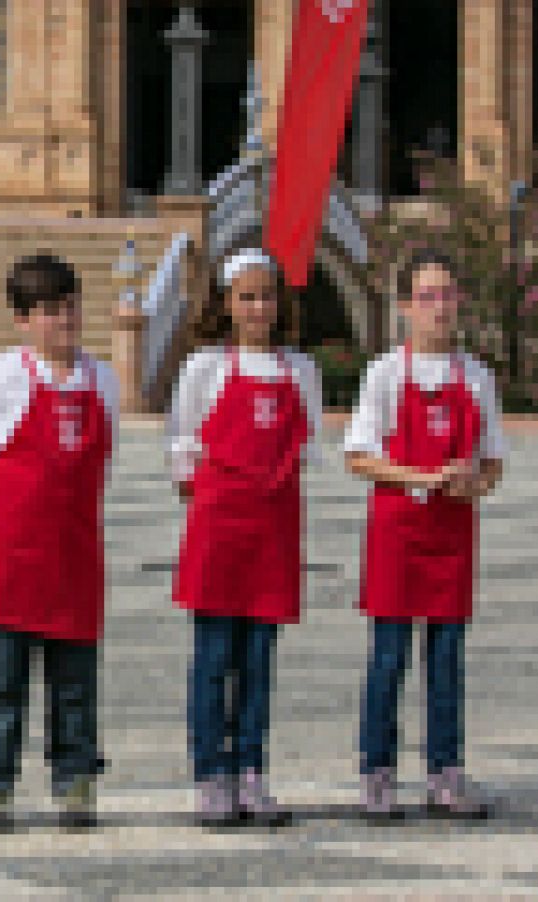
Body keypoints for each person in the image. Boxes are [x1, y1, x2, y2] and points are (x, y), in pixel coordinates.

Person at [0, 253, 119, 832]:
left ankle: (75, 782)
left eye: (71, 306)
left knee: (75, 683)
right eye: (50, 310)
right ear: (23, 319)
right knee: (1, 683)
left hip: (74, 554)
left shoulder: (102, 379)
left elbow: (106, 454)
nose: (64, 319)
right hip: (8, 555)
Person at [346, 249, 507, 821]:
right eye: (428, 296)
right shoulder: (387, 372)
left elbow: (493, 463)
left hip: (452, 532)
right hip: (398, 530)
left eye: (448, 295)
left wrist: (474, 485)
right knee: (388, 659)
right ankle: (377, 772)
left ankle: (445, 772)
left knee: (447, 659)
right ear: (407, 306)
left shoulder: (476, 376)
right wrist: (423, 476)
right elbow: (360, 457)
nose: (440, 307)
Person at [168, 248, 324, 828]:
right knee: (212, 658)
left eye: (268, 296)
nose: (260, 307)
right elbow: (184, 445)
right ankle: (211, 773)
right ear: (227, 304)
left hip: (274, 530)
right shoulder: (205, 367)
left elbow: (306, 444)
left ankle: (252, 770)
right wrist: (212, 500)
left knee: (259, 659)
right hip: (218, 527)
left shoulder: (299, 369)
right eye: (248, 297)